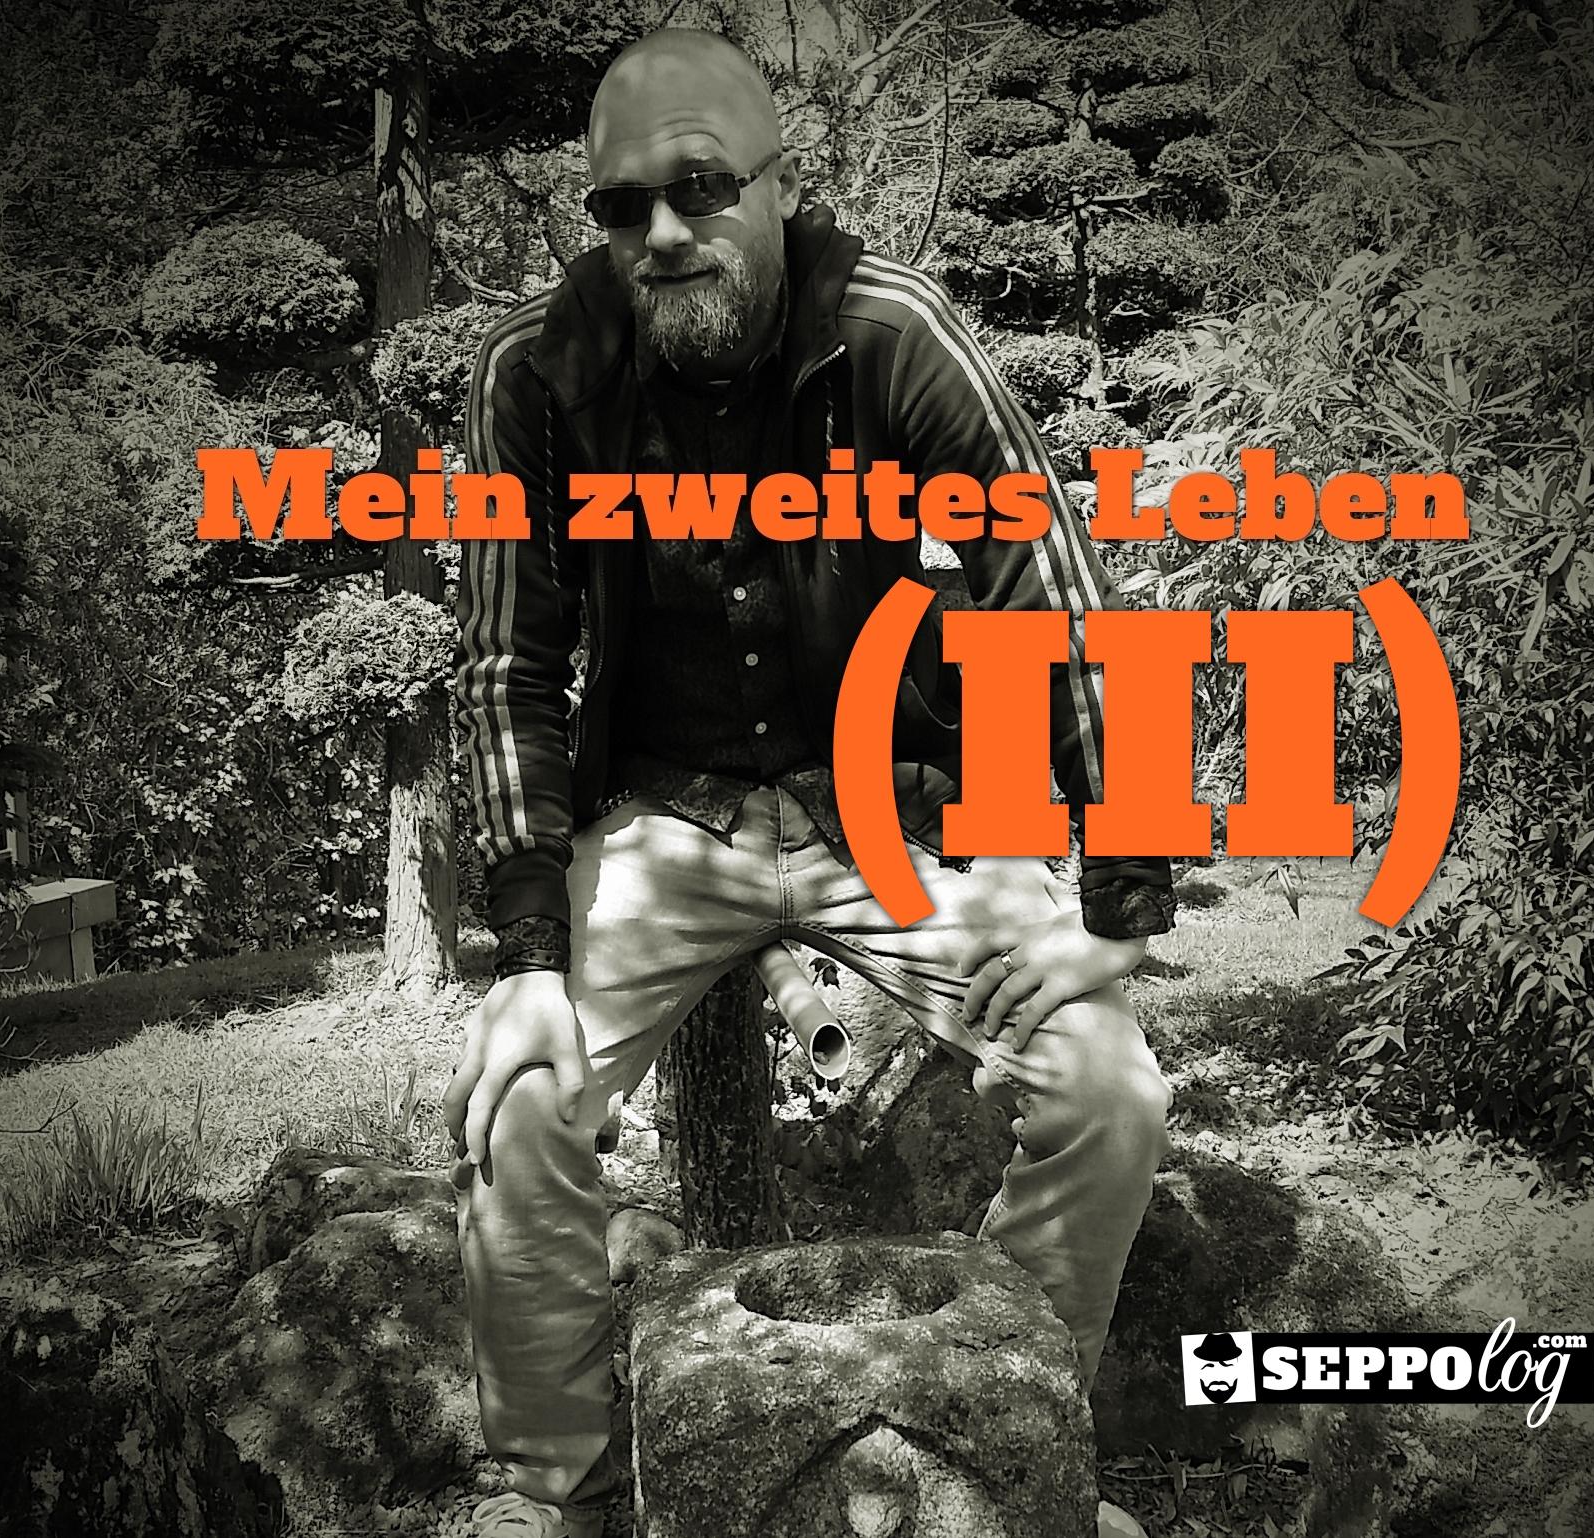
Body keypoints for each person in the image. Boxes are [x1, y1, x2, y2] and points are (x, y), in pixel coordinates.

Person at [445, 28, 1176, 1537]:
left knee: (1109, 1091)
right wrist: (523, 959)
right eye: (622, 205)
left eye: (702, 187)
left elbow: (1052, 587)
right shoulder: (537, 373)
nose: (663, 231)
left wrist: (1121, 901)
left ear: (784, 184)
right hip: (660, 819)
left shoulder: (894, 333)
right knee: (520, 1098)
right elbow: (507, 663)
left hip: (890, 806)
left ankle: (1010, 1441)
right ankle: (559, 1496)